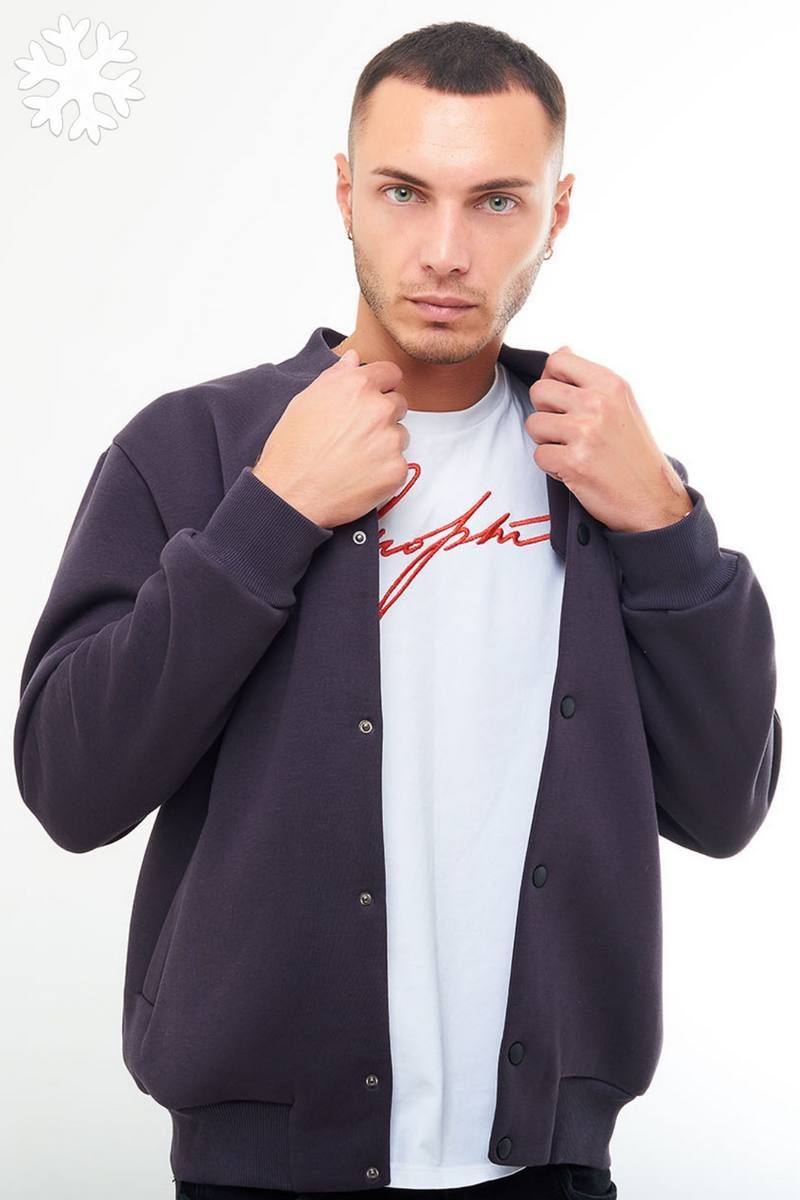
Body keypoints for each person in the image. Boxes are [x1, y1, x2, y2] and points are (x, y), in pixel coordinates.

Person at [13, 20, 780, 1200]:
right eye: (403, 192)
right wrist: (270, 515)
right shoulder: (198, 446)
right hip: (261, 1174)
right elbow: (71, 787)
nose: (444, 251)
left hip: (545, 1168)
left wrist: (666, 523)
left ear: (556, 213)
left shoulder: (606, 472)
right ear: (344, 193)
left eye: (495, 202)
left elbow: (724, 806)